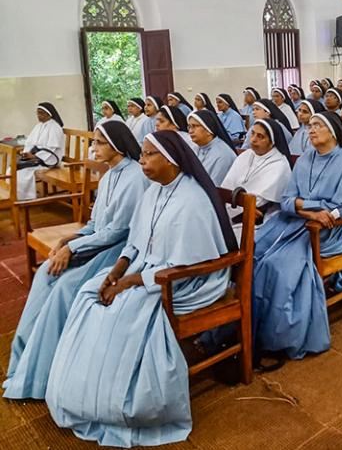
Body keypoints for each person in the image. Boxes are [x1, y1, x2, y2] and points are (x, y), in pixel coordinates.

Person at [45, 131, 237, 448]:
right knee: (89, 293)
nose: (142, 160)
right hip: (148, 270)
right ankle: (83, 388)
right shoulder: (153, 192)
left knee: (122, 309)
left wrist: (130, 282)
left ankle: (122, 403)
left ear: (171, 159)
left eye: (149, 155)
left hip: (187, 280)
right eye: (143, 153)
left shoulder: (191, 199)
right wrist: (117, 271)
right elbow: (135, 242)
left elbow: (187, 264)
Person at [3, 121, 147, 400]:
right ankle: (26, 357)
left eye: (98, 143)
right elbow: (95, 223)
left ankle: (46, 372)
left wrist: (75, 247)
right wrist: (68, 241)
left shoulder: (134, 178)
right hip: (96, 242)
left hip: (118, 251)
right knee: (46, 271)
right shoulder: (108, 177)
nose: (93, 148)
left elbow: (117, 232)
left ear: (116, 144)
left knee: (65, 288)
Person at [253, 112, 342, 360]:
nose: (311, 130)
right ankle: (252, 326)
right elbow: (287, 199)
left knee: (276, 266)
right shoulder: (305, 158)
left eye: (318, 125)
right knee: (253, 251)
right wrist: (310, 209)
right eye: (310, 126)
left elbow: (341, 209)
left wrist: (308, 209)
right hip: (300, 222)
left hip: (334, 231)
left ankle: (279, 337)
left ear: (333, 131)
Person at [222, 118, 292, 240]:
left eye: (260, 136)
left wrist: (233, 206)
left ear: (272, 142)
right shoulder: (246, 155)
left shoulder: (279, 164)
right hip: (235, 210)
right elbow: (226, 186)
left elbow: (259, 203)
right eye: (252, 133)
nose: (253, 139)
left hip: (260, 219)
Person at [16, 103, 66, 200]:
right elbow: (30, 142)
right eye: (37, 113)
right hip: (37, 156)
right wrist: (26, 153)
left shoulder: (55, 127)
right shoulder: (38, 126)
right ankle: (17, 195)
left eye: (41, 113)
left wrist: (35, 156)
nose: (38, 115)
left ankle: (25, 197)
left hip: (49, 159)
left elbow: (52, 149)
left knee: (22, 171)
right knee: (14, 167)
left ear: (49, 114)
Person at [187, 109, 236, 185]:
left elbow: (214, 189)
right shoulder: (196, 147)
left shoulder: (223, 155)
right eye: (189, 127)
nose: (190, 131)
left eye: (194, 126)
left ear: (208, 130)